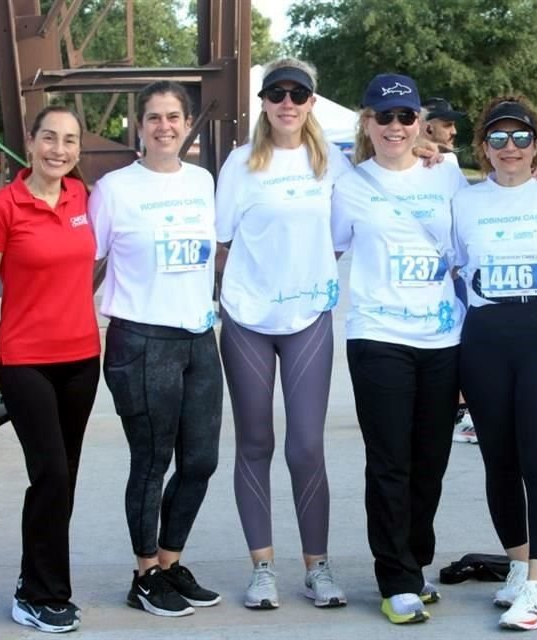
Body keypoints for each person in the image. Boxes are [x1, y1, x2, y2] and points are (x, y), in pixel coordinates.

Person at [331, 73, 468, 624]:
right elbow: (331, 246)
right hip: (378, 335)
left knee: (430, 460)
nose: (395, 127)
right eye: (383, 117)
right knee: (389, 461)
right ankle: (395, 577)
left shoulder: (449, 174)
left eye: (405, 117)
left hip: (442, 337)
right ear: (367, 122)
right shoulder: (349, 184)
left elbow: (463, 251)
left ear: (421, 123)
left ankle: (416, 561)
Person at [215, 57, 350, 610]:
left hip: (308, 318)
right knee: (254, 443)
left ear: (312, 102)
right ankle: (262, 567)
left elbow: (343, 235)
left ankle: (317, 567)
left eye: (298, 94)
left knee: (305, 446)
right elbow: (221, 243)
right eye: (277, 94)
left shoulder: (333, 165)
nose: (287, 103)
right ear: (264, 102)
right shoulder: (240, 163)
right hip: (247, 318)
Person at [89, 81, 223, 618]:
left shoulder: (203, 181)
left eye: (173, 116)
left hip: (198, 338)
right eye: (153, 117)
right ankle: (143, 574)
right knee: (151, 461)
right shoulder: (115, 189)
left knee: (201, 461)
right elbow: (86, 262)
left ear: (187, 123)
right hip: (141, 340)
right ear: (138, 126)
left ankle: (169, 564)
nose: (164, 126)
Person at [0, 105, 100, 633]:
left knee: (64, 478)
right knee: (49, 473)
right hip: (25, 361)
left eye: (69, 141)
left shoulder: (83, 198)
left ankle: (43, 585)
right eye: (49, 138)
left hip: (82, 359)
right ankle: (38, 592)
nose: (59, 150)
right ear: (30, 141)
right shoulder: (3, 206)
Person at [452, 97, 537, 631]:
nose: (510, 148)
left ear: (536, 145)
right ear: (483, 147)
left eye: (521, 137)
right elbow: (452, 268)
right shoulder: (463, 201)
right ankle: (518, 563)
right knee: (499, 461)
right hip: (484, 335)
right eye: (499, 138)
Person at [420, 96, 476, 443]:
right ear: (428, 127)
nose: (454, 130)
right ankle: (456, 413)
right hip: (423, 277)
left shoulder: (449, 164)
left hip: (451, 273)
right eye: (447, 123)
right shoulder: (408, 163)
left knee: (460, 341)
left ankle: (461, 411)